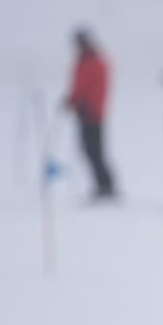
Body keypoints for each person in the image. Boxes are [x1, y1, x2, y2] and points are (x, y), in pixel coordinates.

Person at [65, 29, 116, 200]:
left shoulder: (95, 62)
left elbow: (96, 89)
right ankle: (101, 185)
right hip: (84, 113)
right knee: (88, 151)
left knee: (95, 151)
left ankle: (106, 185)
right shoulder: (82, 62)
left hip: (93, 113)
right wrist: (72, 101)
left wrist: (85, 105)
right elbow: (78, 86)